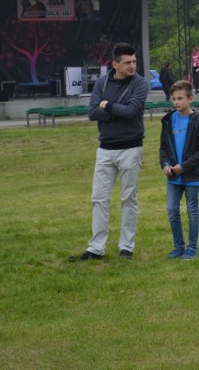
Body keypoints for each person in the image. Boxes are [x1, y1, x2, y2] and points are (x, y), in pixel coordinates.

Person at [70, 42, 149, 261]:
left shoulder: (140, 83)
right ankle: (96, 248)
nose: (133, 66)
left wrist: (108, 105)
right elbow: (92, 112)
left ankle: (126, 247)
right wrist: (114, 108)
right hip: (105, 149)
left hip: (131, 147)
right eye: (127, 63)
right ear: (115, 64)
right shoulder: (102, 83)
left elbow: (132, 110)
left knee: (129, 198)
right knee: (99, 198)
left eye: (134, 61)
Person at [159, 80, 199, 260]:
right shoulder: (168, 121)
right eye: (173, 99)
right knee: (172, 210)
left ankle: (192, 248)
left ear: (190, 98)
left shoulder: (198, 122)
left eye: (180, 98)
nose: (176, 102)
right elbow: (163, 147)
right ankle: (178, 246)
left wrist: (184, 166)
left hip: (191, 175)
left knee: (192, 210)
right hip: (173, 176)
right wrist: (165, 164)